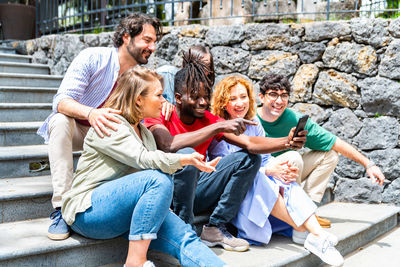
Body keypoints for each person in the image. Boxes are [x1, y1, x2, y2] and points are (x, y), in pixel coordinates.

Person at [61, 66, 226, 267]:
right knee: (156, 179)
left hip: (128, 211)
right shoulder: (111, 124)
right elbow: (143, 159)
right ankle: (135, 262)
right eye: (159, 95)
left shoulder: (144, 132)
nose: (165, 100)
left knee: (185, 235)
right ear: (139, 99)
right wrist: (185, 160)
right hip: (88, 212)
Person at [144, 54, 307, 252]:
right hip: (169, 192)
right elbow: (169, 145)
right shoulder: (161, 114)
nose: (203, 102)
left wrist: (287, 142)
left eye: (206, 97)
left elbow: (249, 143)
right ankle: (183, 230)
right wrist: (215, 129)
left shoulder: (208, 118)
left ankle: (215, 226)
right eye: (196, 97)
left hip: (200, 189)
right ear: (178, 98)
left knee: (248, 158)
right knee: (186, 155)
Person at [37, 13, 163, 240]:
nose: (152, 47)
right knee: (59, 121)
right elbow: (61, 101)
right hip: (81, 128)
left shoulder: (140, 77)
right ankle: (61, 209)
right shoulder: (93, 58)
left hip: (111, 135)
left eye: (154, 41)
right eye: (147, 40)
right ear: (126, 37)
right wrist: (91, 113)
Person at [209, 76, 344, 266]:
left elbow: (264, 158)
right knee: (260, 176)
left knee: (284, 174)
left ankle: (316, 234)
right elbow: (229, 171)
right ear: (223, 102)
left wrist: (277, 169)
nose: (240, 103)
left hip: (260, 194)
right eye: (232, 99)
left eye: (243, 96)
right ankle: (303, 228)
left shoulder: (253, 123)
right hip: (237, 197)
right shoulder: (219, 128)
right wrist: (266, 170)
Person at [256, 73, 386, 227]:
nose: (279, 101)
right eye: (273, 95)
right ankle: (294, 211)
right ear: (261, 97)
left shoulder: (293, 118)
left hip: (288, 172)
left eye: (284, 96)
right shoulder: (251, 119)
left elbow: (333, 142)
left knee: (329, 155)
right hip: (261, 174)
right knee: (293, 156)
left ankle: (308, 210)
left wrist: (368, 164)